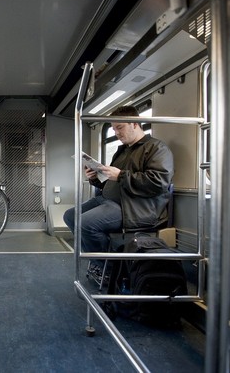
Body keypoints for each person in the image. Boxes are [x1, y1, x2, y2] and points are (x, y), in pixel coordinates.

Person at [63, 105, 174, 283]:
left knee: (85, 224)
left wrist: (120, 175)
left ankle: (109, 269)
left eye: (119, 127)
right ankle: (102, 260)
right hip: (108, 200)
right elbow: (113, 181)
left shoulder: (156, 148)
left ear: (134, 124)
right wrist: (95, 178)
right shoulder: (122, 151)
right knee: (70, 216)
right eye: (114, 128)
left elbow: (158, 182)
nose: (116, 133)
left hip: (133, 207)